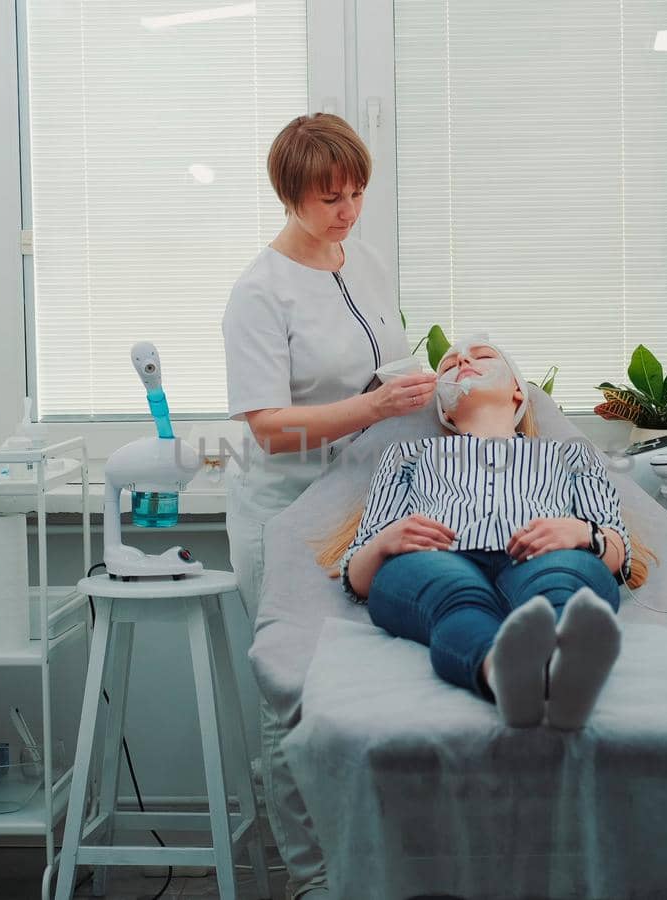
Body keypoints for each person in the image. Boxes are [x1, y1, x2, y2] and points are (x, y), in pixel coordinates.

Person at [221, 113, 432, 899]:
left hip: (359, 506)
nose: (347, 209)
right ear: (290, 194)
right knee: (294, 697)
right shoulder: (259, 294)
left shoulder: (364, 262)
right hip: (284, 516)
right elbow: (269, 430)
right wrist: (375, 410)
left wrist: (422, 386)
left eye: (356, 192)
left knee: (361, 690)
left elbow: (387, 364)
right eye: (329, 197)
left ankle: (367, 865)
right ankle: (310, 881)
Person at [316, 339, 654, 730]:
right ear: (443, 406)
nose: (462, 359)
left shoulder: (571, 454)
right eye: (449, 366)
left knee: (564, 584)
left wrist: (583, 533)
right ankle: (504, 672)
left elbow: (619, 556)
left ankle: (563, 668)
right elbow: (357, 580)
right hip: (436, 559)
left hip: (543, 557)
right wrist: (384, 542)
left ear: (517, 390)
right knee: (454, 599)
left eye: (482, 356)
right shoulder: (407, 455)